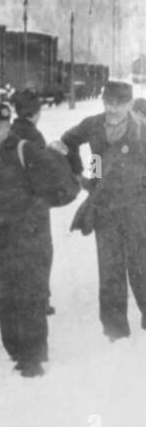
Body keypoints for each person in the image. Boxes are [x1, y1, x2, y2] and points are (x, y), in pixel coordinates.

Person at [0, 98, 75, 376]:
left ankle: (33, 359)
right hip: (2, 241)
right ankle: (18, 352)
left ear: (8, 125)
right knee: (6, 298)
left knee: (30, 297)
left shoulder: (24, 150)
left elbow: (60, 186)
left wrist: (34, 214)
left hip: (30, 240)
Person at [52, 80, 146, 341]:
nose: (113, 109)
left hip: (137, 209)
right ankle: (115, 331)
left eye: (119, 104)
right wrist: (80, 175)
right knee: (110, 270)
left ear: (129, 104)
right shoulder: (92, 124)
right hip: (104, 207)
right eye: (109, 103)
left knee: (142, 267)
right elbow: (67, 142)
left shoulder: (142, 130)